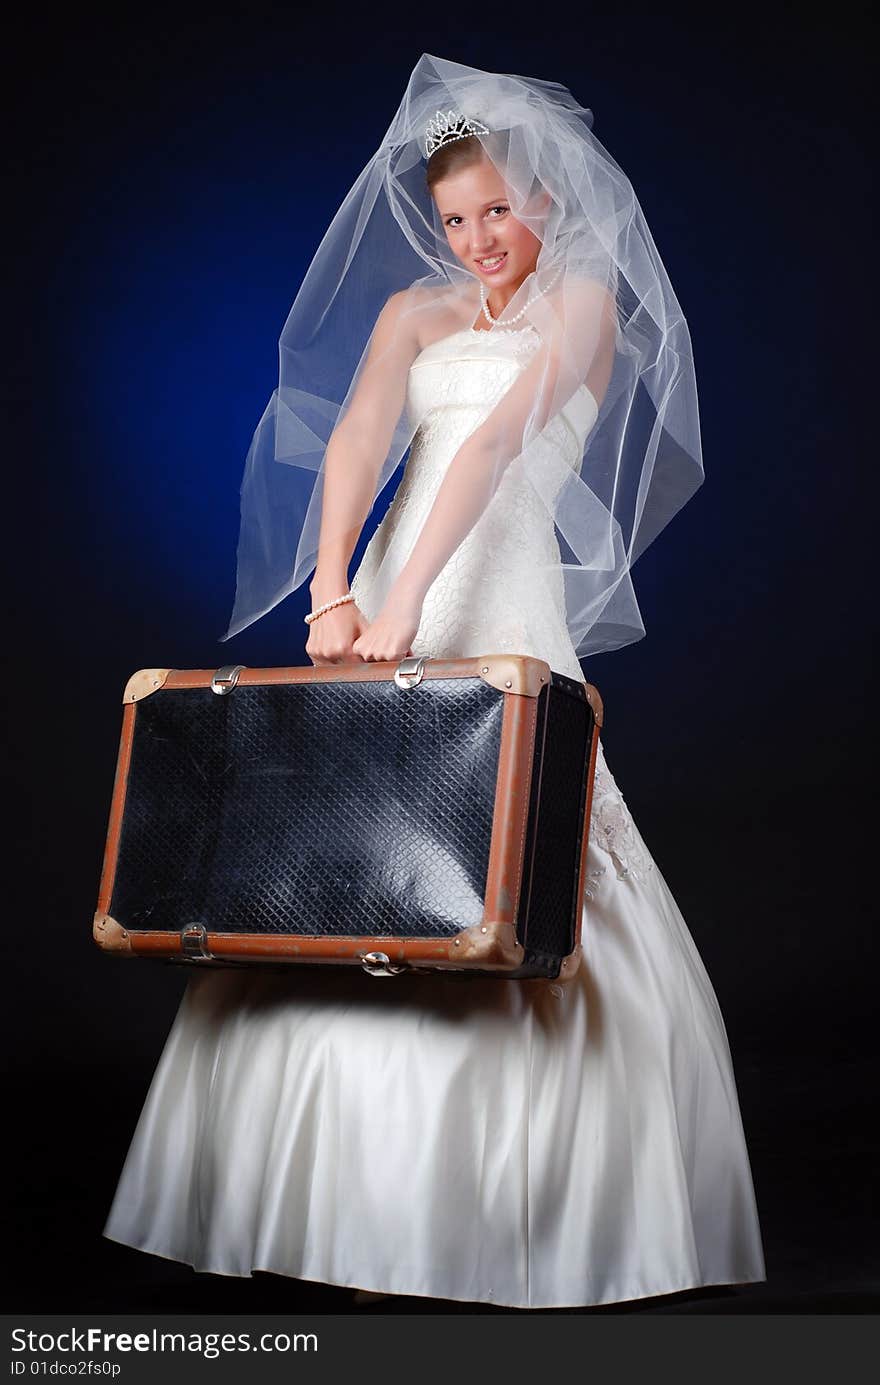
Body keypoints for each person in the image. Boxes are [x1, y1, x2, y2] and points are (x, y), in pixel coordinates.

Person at [102, 55, 766, 1309]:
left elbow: (500, 442)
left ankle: (520, 1222)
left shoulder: (582, 305)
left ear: (550, 202)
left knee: (512, 844)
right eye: (455, 218)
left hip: (492, 593)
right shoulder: (414, 310)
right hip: (387, 594)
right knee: (345, 845)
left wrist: (411, 607)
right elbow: (357, 437)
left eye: (498, 213)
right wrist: (337, 588)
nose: (477, 240)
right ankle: (327, 1204)